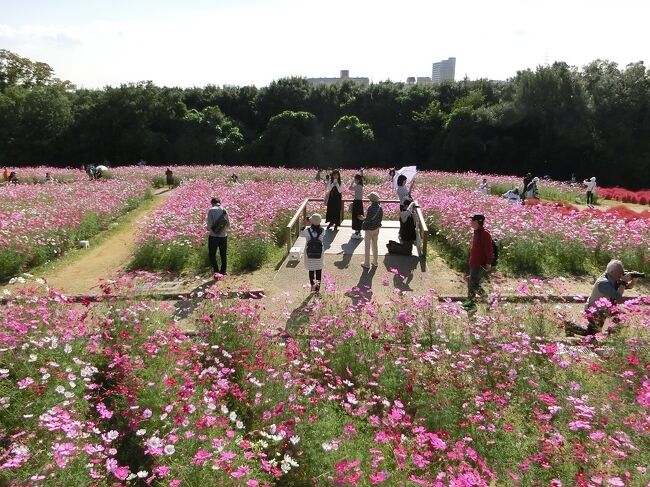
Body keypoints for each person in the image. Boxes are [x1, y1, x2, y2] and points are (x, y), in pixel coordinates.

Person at [566, 260, 637, 336]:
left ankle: (611, 336)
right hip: (595, 311)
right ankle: (570, 326)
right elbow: (617, 296)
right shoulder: (603, 282)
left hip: (604, 309)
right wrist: (623, 281)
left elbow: (629, 286)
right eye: (620, 272)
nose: (621, 274)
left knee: (621, 316)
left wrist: (634, 279)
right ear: (613, 272)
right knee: (590, 334)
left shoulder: (612, 278)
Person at [466, 214, 494, 307]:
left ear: (479, 222)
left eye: (473, 221)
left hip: (479, 264)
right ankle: (470, 303)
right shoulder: (476, 232)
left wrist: (489, 263)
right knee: (471, 283)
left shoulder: (484, 234)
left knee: (474, 284)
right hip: (473, 262)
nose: (471, 222)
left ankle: (489, 301)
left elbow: (489, 249)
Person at [302, 213, 325, 293]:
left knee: (311, 270)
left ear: (311, 222)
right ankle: (317, 289)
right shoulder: (322, 231)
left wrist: (305, 224)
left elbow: (301, 234)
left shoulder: (306, 231)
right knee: (319, 271)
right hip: (319, 254)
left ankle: (312, 287)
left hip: (309, 254)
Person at [359, 192, 383, 269]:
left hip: (369, 229)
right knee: (375, 245)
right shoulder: (380, 208)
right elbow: (379, 219)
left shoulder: (370, 208)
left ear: (371, 200)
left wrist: (363, 218)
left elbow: (368, 219)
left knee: (367, 246)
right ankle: (375, 262)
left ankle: (367, 263)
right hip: (376, 229)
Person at [206, 197, 230, 275]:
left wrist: (211, 229)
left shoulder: (211, 210)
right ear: (220, 202)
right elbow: (228, 224)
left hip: (213, 236)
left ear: (212, 203)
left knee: (212, 254)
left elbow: (209, 226)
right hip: (223, 236)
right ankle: (223, 271)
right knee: (223, 253)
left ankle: (216, 271)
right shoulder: (224, 210)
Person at [349, 174, 364, 239]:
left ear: (358, 180)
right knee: (359, 216)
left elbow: (350, 188)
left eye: (355, 179)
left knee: (356, 216)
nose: (354, 180)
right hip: (359, 202)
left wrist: (352, 183)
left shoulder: (358, 186)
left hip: (357, 203)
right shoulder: (360, 186)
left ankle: (357, 233)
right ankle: (358, 232)